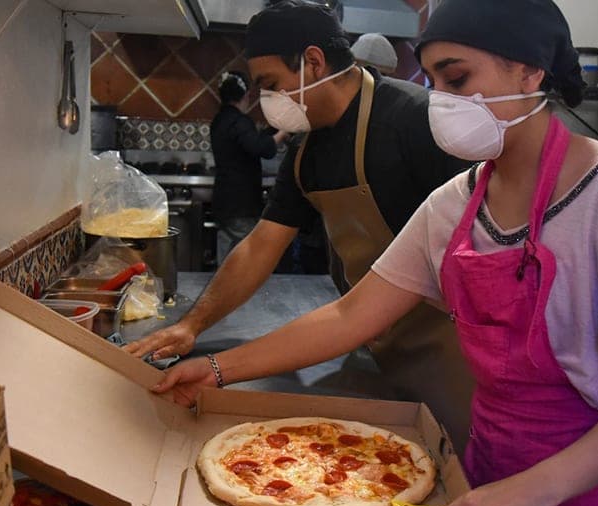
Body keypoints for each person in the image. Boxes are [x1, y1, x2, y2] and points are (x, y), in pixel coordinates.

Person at [150, 0, 598, 506]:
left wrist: (536, 491)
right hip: (483, 481)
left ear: (530, 71)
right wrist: (216, 370)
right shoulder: (454, 203)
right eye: (434, 80)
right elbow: (350, 316)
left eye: (458, 78)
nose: (441, 100)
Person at [125, 0, 476, 448]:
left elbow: (483, 247)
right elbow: (260, 246)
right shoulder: (306, 152)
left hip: (453, 348)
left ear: (313, 61)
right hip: (376, 341)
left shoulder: (414, 119)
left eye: (270, 85)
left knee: (462, 466)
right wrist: (191, 326)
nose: (267, 101)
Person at [210, 71, 288, 264]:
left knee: (226, 256)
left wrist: (270, 132)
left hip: (224, 200)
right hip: (240, 202)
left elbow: (251, 142)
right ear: (245, 96)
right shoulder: (239, 121)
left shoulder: (219, 120)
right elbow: (263, 148)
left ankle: (223, 291)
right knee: (246, 257)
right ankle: (239, 292)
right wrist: (285, 131)